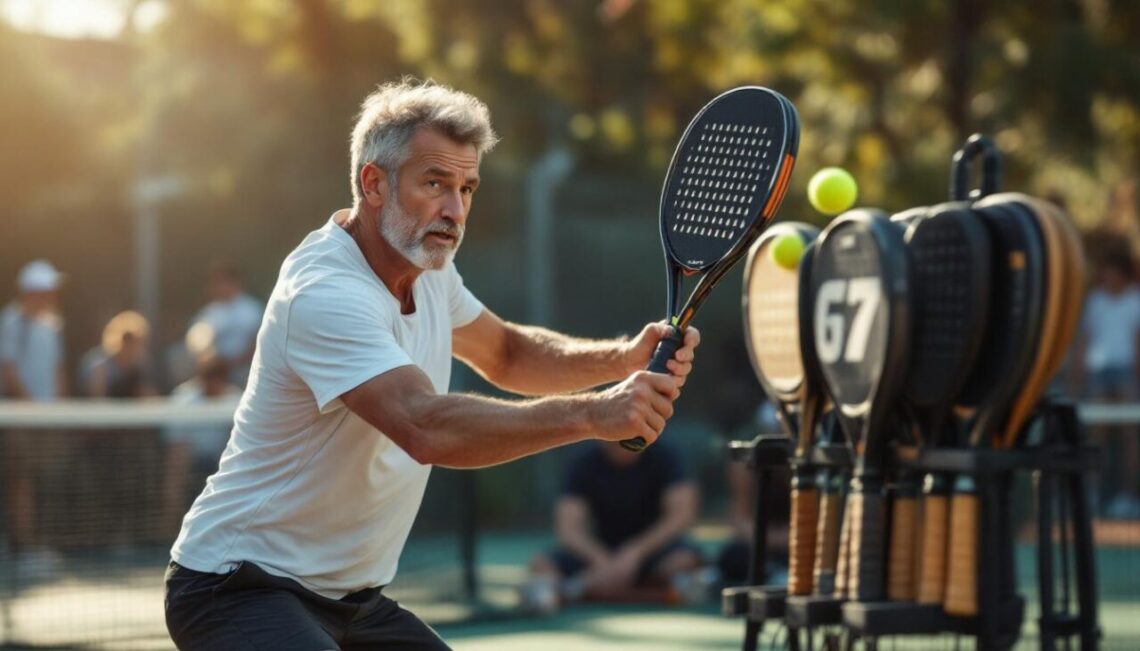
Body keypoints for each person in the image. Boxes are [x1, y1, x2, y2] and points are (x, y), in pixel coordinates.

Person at [164, 79, 699, 650]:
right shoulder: (324, 292)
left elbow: (507, 353)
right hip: (238, 587)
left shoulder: (429, 265)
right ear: (374, 184)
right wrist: (596, 414)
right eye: (435, 183)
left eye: (467, 188)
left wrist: (619, 357)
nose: (455, 209)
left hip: (353, 601)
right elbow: (424, 425)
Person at [520, 440, 704, 613]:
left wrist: (634, 554)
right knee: (542, 563)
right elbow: (568, 529)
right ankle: (645, 592)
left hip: (653, 551)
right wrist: (602, 561)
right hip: (602, 552)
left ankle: (579, 590)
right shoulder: (583, 459)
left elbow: (681, 516)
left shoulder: (667, 455)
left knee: (683, 561)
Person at [0, 259, 67, 577]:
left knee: (40, 481)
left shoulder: (51, 324)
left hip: (47, 420)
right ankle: (21, 547)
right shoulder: (12, 322)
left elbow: (57, 371)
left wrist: (60, 411)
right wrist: (32, 408)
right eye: (48, 289)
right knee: (21, 482)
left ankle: (35, 545)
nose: (53, 294)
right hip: (21, 419)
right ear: (34, 291)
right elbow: (8, 369)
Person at [1072, 249, 1140, 519]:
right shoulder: (1096, 301)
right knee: (1095, 435)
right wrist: (1076, 382)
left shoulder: (1135, 300)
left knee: (1129, 436)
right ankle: (1091, 493)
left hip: (1125, 373)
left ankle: (1127, 497)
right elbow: (1085, 342)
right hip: (1099, 372)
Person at [160, 351, 240, 538]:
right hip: (190, 463)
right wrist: (173, 485)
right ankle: (170, 536)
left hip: (223, 464)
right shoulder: (183, 400)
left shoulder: (237, 400)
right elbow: (176, 448)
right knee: (176, 469)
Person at [187, 260, 263, 387]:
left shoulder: (252, 309)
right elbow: (197, 344)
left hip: (247, 371)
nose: (219, 286)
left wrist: (235, 362)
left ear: (236, 283)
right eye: (216, 282)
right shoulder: (208, 313)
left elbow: (259, 342)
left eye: (223, 282)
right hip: (216, 375)